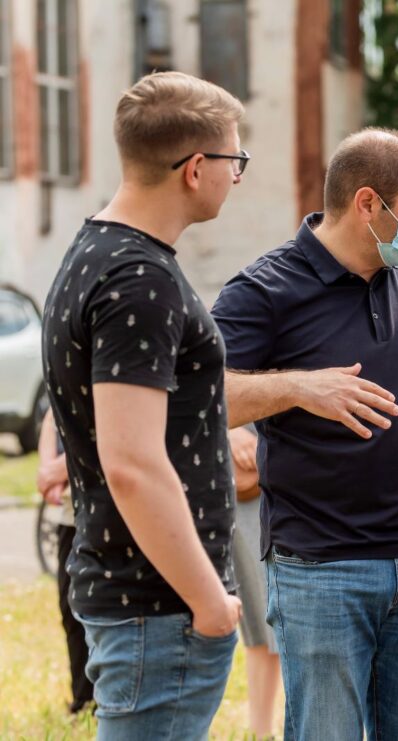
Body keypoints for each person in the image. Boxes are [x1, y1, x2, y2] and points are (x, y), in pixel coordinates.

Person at [211, 126, 398, 740]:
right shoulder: (263, 289)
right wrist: (298, 387)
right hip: (321, 568)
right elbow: (199, 395)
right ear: (369, 203)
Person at [40, 71, 245, 738]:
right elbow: (130, 461)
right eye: (233, 160)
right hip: (159, 608)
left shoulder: (95, 251)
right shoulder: (139, 279)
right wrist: (210, 602)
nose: (236, 176)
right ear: (194, 169)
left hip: (145, 602)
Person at [35, 408, 94, 715]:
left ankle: (105, 703)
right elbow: (51, 414)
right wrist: (48, 469)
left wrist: (60, 467)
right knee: (70, 607)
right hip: (70, 515)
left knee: (102, 611)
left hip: (106, 514)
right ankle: (82, 701)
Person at [227, 425, 281, 739]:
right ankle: (262, 732)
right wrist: (228, 427)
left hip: (287, 455)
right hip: (241, 469)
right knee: (259, 618)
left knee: (281, 614)